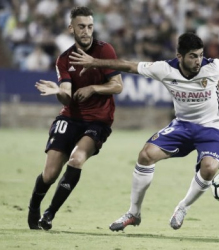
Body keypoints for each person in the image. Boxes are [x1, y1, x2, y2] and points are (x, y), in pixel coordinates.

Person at [69, 32, 219, 231]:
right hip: (183, 124)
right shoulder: (165, 69)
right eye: (192, 56)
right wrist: (95, 62)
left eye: (200, 55)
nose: (198, 61)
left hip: (213, 126)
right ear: (180, 56)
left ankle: (183, 207)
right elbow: (129, 65)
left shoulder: (212, 66)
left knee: (209, 168)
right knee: (146, 155)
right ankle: (133, 213)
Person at [27, 6, 123, 230]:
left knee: (77, 159)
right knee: (49, 174)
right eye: (81, 26)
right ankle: (34, 206)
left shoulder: (105, 51)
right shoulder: (64, 59)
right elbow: (67, 97)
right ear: (71, 28)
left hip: (98, 121)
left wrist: (92, 88)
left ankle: (49, 214)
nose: (86, 31)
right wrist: (58, 91)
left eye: (90, 26)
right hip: (70, 117)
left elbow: (118, 86)